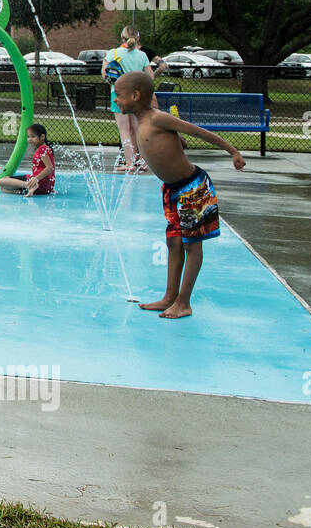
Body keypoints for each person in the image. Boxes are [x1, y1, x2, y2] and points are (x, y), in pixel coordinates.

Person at [115, 71, 245, 319]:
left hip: (192, 188)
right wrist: (178, 141)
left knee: (191, 245)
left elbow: (199, 133)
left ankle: (183, 302)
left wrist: (233, 152)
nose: (115, 99)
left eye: (119, 95)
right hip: (173, 190)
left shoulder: (157, 118)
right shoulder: (144, 122)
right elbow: (178, 142)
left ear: (135, 95)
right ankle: (169, 297)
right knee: (173, 242)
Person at [103, 26, 154, 172]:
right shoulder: (142, 55)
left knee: (124, 129)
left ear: (122, 37)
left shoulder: (113, 53)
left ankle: (130, 162)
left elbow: (105, 75)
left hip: (119, 94)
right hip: (138, 94)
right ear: (138, 38)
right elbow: (150, 76)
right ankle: (142, 161)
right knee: (138, 128)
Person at [0, 124, 56, 195]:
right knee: (4, 188)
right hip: (46, 186)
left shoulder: (42, 149)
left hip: (39, 183)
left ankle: (29, 185)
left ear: (42, 137)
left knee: (2, 181)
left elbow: (50, 168)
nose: (29, 139)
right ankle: (23, 190)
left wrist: (36, 179)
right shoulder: (46, 148)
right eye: (28, 137)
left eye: (33, 136)